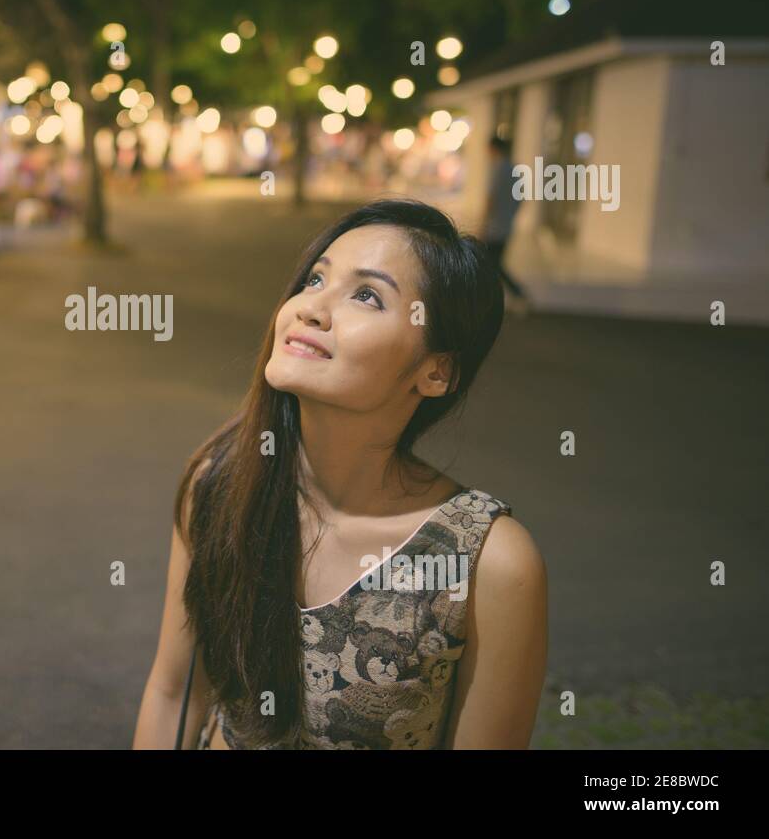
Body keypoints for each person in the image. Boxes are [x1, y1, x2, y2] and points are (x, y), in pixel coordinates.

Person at [133, 199, 547, 750]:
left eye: (366, 296)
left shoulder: (487, 563)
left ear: (436, 370)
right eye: (315, 279)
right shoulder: (221, 485)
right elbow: (173, 694)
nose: (311, 308)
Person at [482, 136, 530, 313]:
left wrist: (483, 224)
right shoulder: (514, 169)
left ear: (494, 149)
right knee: (494, 264)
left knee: (492, 265)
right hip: (506, 225)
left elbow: (490, 200)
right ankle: (512, 297)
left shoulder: (499, 169)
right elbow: (520, 199)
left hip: (494, 227)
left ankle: (517, 294)